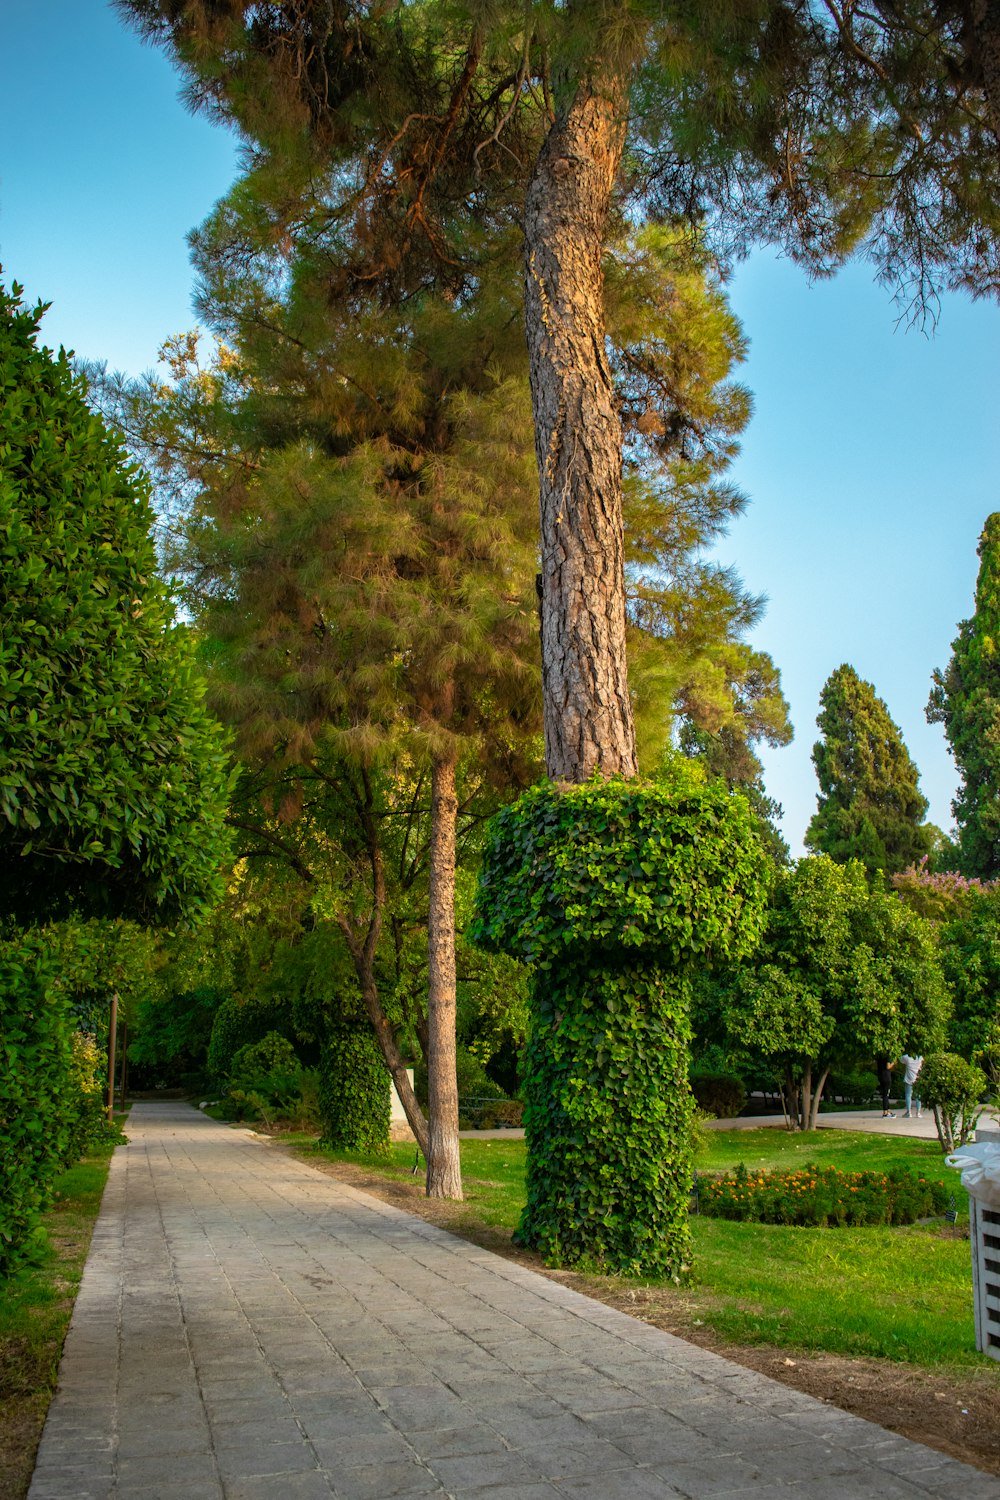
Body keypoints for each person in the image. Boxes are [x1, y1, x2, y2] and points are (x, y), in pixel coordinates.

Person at [900, 1052, 923, 1119]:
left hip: (909, 1079)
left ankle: (908, 1112)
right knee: (918, 1096)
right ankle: (918, 1113)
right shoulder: (920, 1057)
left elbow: (901, 1060)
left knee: (908, 1095)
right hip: (917, 1078)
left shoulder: (907, 1057)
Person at [875, 1054, 895, 1118]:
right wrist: (893, 1063)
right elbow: (888, 1066)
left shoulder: (879, 1056)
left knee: (885, 1094)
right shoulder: (887, 1056)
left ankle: (888, 1110)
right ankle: (885, 1112)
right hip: (887, 1077)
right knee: (886, 1095)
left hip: (881, 1076)